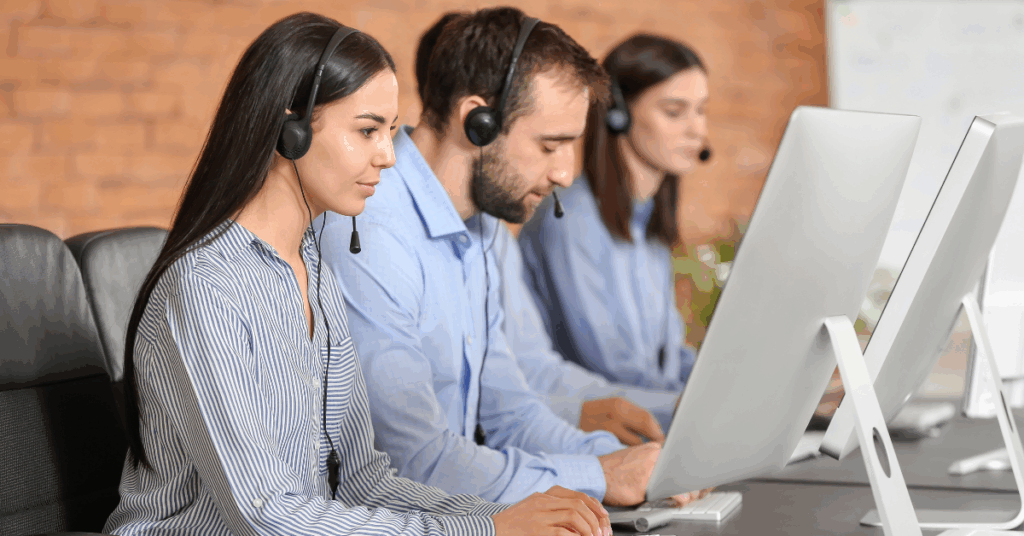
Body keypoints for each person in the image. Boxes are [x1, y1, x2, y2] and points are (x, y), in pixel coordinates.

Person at [104, 13, 611, 536]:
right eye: (367, 131)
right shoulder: (208, 286)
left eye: (390, 133)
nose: (388, 157)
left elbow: (363, 482)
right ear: (290, 130)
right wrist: (487, 533)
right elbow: (267, 513)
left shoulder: (314, 274)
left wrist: (504, 519)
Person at [320, 7, 697, 507]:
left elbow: (508, 412)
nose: (565, 173)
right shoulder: (368, 226)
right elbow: (412, 460)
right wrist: (598, 475)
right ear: (477, 121)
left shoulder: (482, 227)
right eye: (550, 145)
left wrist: (623, 461)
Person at [519, 34, 707, 392]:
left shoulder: (648, 224)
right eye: (674, 111)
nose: (698, 129)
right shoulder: (571, 219)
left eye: (701, 110)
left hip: (653, 424)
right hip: (599, 431)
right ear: (619, 114)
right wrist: (703, 411)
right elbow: (613, 370)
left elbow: (669, 362)